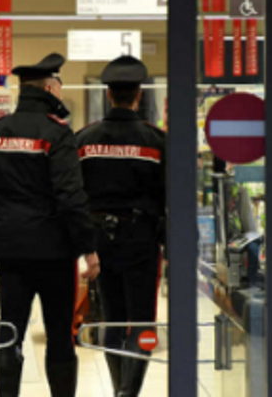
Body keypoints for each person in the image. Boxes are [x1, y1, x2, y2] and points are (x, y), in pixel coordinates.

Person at [0, 53, 100, 397]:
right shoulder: (57, 134)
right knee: (59, 335)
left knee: (9, 333)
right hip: (55, 255)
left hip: (10, 254)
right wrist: (87, 248)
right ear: (50, 88)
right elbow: (70, 197)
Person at [75, 56, 165, 397]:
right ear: (139, 95)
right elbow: (169, 197)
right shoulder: (156, 141)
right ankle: (129, 392)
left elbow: (73, 195)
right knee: (142, 322)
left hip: (99, 241)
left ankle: (120, 391)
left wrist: (83, 243)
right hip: (142, 240)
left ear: (108, 95)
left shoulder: (84, 140)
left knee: (111, 318)